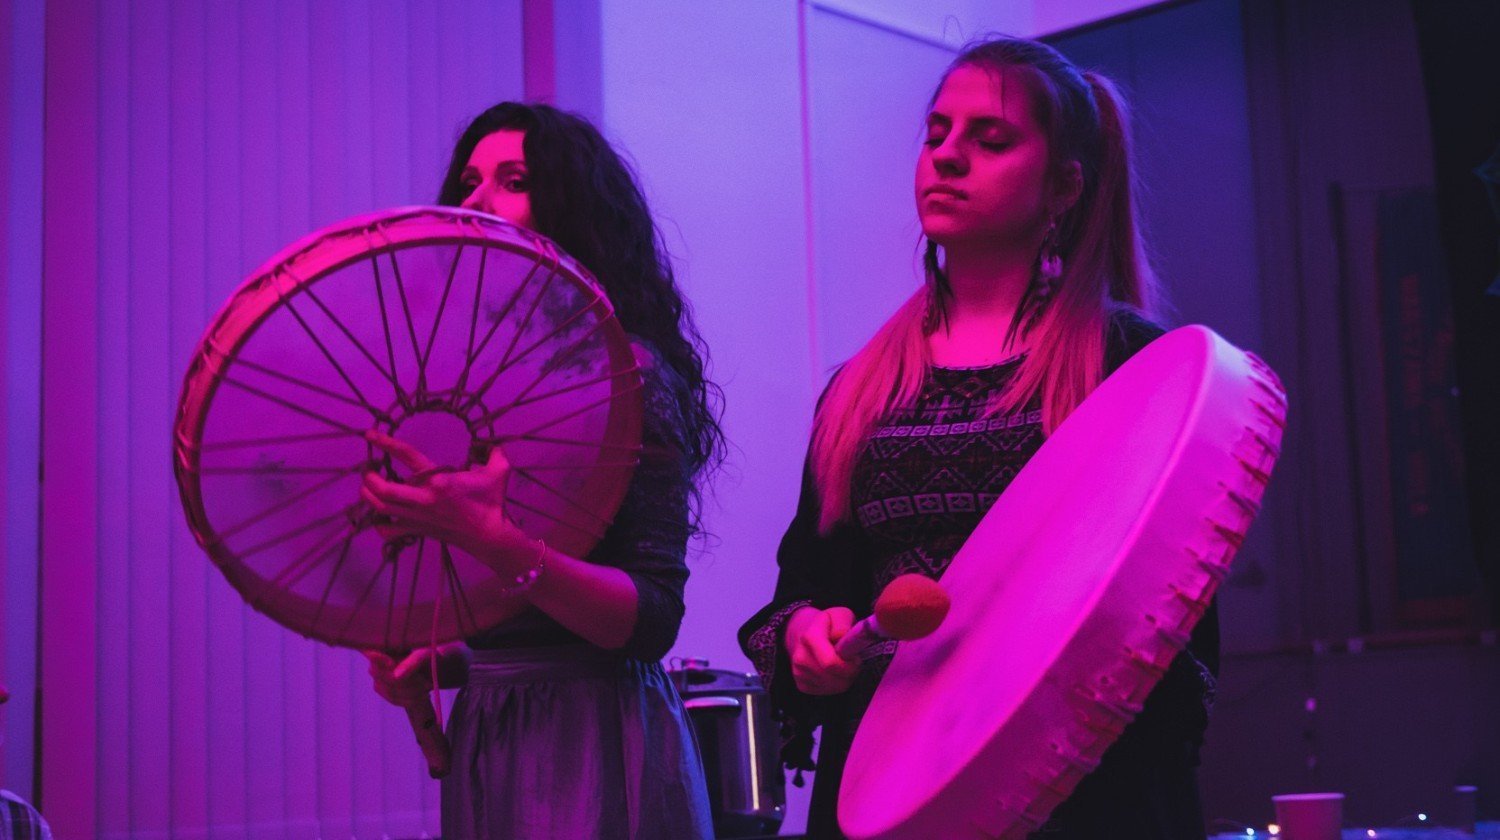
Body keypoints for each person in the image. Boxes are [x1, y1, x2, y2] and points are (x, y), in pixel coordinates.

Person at [738, 37, 1219, 839]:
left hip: (1079, 792)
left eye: (990, 140)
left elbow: (1183, 628)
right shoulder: (860, 390)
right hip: (893, 790)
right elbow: (800, 591)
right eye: (937, 134)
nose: (948, 156)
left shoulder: (1127, 367)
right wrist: (803, 637)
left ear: (1063, 186)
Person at [360, 102, 722, 839]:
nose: (477, 201)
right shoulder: (470, 388)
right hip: (491, 729)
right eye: (467, 182)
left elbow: (649, 619)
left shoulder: (626, 373)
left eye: (514, 181)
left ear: (573, 213)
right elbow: (527, 624)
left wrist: (494, 541)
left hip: (598, 738)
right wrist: (445, 661)